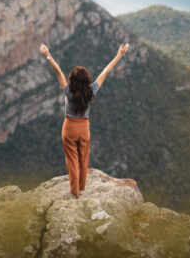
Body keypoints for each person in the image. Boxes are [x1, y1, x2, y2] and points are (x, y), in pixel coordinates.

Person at [39, 42, 129, 198]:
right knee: (83, 158)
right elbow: (105, 72)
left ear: (72, 80)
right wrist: (119, 54)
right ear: (87, 80)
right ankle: (82, 188)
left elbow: (58, 72)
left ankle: (74, 192)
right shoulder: (91, 91)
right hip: (84, 128)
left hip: (69, 128)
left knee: (72, 161)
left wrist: (48, 55)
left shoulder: (68, 92)